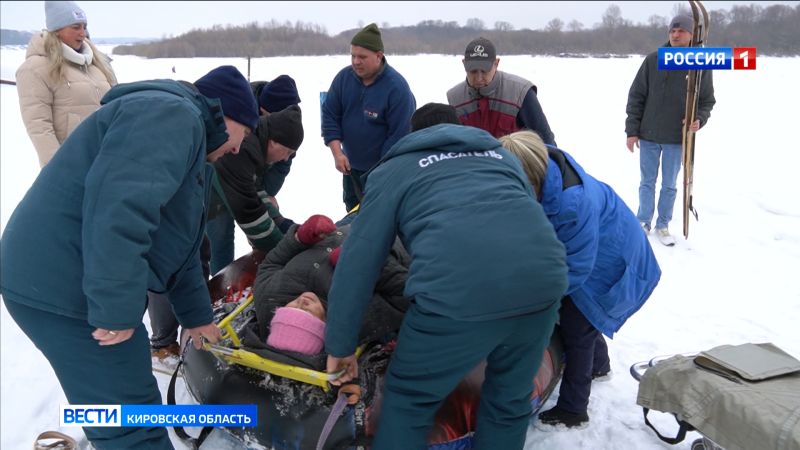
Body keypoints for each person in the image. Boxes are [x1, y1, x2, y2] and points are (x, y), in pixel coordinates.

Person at [0, 64, 260, 449]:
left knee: (124, 405)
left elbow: (179, 244)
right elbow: (118, 212)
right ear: (227, 115)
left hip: (62, 279)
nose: (239, 148)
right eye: (245, 134)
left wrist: (197, 316)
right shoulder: (172, 116)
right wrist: (115, 309)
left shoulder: (188, 141)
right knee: (131, 421)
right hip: (62, 287)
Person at [324, 103, 569, 450]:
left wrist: (340, 345)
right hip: (541, 282)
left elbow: (359, 260)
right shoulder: (503, 158)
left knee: (409, 401)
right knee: (508, 404)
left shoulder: (396, 170)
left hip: (456, 293)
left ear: (414, 135)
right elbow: (524, 219)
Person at [498, 130, 662, 428]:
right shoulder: (538, 163)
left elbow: (574, 270)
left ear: (531, 179)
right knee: (583, 320)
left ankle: (574, 409)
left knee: (578, 323)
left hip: (612, 258)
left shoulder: (571, 204)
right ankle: (599, 366)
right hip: (600, 241)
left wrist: (536, 302)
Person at [625, 14, 716, 246]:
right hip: (648, 135)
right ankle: (643, 220)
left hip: (677, 138)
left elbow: (707, 101)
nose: (675, 35)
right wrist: (632, 130)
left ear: (691, 34)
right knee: (647, 181)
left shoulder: (700, 64)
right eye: (672, 31)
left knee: (670, 185)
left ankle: (663, 224)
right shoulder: (653, 59)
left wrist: (699, 119)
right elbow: (636, 96)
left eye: (681, 31)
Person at [253, 214, 411, 347]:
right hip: (396, 234)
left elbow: (271, 264)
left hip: (344, 227)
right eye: (307, 313)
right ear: (323, 325)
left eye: (291, 309)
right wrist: (365, 265)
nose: (301, 302)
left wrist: (299, 238)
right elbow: (405, 296)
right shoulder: (354, 321)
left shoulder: (269, 299)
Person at [206, 74, 303, 273]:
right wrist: (281, 250)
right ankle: (219, 282)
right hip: (208, 190)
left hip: (232, 183)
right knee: (217, 238)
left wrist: (282, 224)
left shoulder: (282, 131)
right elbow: (249, 210)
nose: (287, 158)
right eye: (287, 153)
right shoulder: (241, 148)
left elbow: (255, 191)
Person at [321, 23, 416, 212]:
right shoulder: (343, 78)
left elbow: (399, 136)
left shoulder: (397, 88)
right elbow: (330, 115)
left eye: (362, 57)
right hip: (350, 169)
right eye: (353, 56)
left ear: (379, 56)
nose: (356, 61)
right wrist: (337, 153)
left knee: (381, 218)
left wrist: (379, 173)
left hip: (384, 172)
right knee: (352, 213)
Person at [16, 0, 117, 168]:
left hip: (105, 159)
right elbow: (39, 127)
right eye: (76, 27)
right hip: (72, 164)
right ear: (57, 30)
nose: (83, 33)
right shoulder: (35, 69)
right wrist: (59, 169)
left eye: (84, 27)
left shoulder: (97, 64)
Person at [446, 37, 556, 145]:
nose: (479, 78)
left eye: (484, 71)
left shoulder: (521, 93)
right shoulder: (455, 99)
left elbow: (546, 143)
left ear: (496, 63)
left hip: (515, 162)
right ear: (464, 64)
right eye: (473, 71)